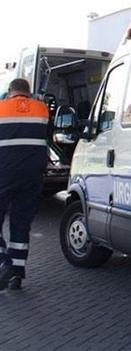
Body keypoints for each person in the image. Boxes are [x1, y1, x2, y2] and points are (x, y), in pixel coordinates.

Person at [0, 78, 50, 290]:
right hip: (31, 177)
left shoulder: (1, 108)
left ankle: (4, 263)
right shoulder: (43, 109)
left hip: (3, 174)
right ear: (28, 92)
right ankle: (16, 275)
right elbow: (48, 140)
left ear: (10, 91)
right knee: (21, 224)